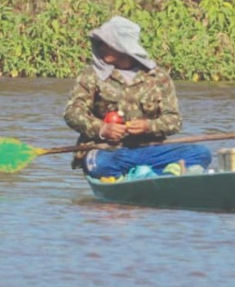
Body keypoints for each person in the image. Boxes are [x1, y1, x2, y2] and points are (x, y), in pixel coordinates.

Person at [63, 16, 213, 178]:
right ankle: (147, 174)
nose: (101, 47)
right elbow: (72, 113)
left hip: (149, 150)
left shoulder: (157, 77)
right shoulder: (91, 75)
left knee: (201, 153)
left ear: (122, 46)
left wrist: (148, 126)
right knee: (102, 164)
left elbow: (174, 120)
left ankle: (153, 175)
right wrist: (102, 129)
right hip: (107, 151)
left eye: (106, 43)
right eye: (99, 43)